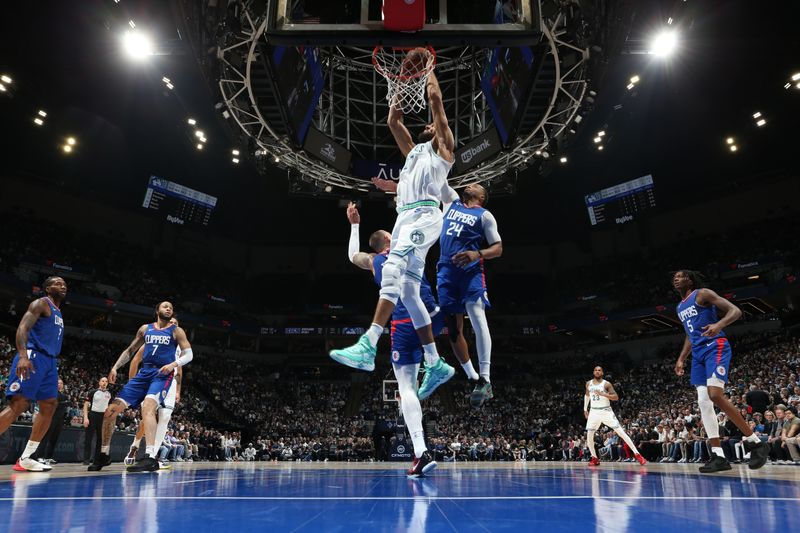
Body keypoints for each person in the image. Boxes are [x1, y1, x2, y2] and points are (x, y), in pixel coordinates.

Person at [330, 50, 460, 396]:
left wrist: (427, 67)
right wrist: (401, 82)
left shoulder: (444, 147)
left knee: (392, 269)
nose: (430, 124)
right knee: (406, 289)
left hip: (424, 214)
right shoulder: (415, 152)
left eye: (434, 123)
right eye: (430, 124)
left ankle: (368, 343)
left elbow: (434, 98)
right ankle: (435, 363)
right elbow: (393, 121)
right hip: (405, 216)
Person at [337, 202, 438, 476]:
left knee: (406, 387)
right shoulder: (408, 246)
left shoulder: (376, 262)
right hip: (431, 313)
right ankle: (436, 362)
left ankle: (421, 451)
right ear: (390, 239)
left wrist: (354, 224)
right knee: (420, 375)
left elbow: (351, 256)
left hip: (404, 322)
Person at [672, 270, 770, 473]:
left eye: (681, 276)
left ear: (689, 280)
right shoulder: (680, 307)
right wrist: (682, 358)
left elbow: (735, 311)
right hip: (698, 354)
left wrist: (719, 324)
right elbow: (690, 335)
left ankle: (755, 442)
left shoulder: (702, 294)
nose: (676, 278)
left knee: (715, 395)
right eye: (675, 277)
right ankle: (718, 456)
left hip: (715, 346)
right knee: (703, 402)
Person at [89, 301, 193, 472]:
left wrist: (173, 364)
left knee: (149, 408)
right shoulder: (145, 329)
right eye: (165, 306)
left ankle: (150, 457)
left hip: (161, 375)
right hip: (143, 374)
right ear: (157, 310)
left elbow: (189, 354)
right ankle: (103, 454)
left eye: (171, 307)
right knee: (109, 412)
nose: (169, 308)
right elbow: (130, 351)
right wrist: (115, 367)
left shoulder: (176, 331)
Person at [437, 183, 502, 407]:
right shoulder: (451, 201)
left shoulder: (485, 215)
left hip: (470, 270)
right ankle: (472, 376)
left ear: (481, 196)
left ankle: (486, 377)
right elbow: (439, 177)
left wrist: (478, 253)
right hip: (445, 270)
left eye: (477, 185)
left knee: (476, 316)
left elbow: (498, 248)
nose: (471, 183)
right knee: (453, 330)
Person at [0, 276, 67, 472]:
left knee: (49, 405)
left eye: (64, 284)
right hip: (33, 356)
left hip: (50, 362)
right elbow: (23, 328)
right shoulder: (41, 304)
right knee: (19, 403)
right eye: (57, 283)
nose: (62, 286)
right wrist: (22, 356)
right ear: (47, 288)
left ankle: (27, 457)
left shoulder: (59, 312)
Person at [125, 317, 184, 470]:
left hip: (171, 384)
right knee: (147, 417)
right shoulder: (153, 339)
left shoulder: (178, 346)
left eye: (176, 324)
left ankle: (152, 457)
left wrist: (178, 390)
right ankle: (134, 446)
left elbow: (180, 370)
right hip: (153, 379)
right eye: (171, 322)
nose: (173, 325)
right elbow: (135, 360)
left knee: (164, 418)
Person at [583, 366, 647, 466]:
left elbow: (616, 397)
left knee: (621, 432)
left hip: (606, 410)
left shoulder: (606, 384)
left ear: (602, 373)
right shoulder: (588, 383)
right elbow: (587, 395)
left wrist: (604, 394)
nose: (597, 371)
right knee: (589, 435)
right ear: (593, 372)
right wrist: (585, 409)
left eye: (599, 370)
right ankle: (594, 458)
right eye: (596, 370)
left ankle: (638, 455)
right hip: (594, 411)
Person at [32, 378, 68, 465]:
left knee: (54, 439)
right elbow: (53, 405)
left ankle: (48, 457)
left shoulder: (64, 395)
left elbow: (65, 408)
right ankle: (40, 456)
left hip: (59, 419)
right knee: (46, 437)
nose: (59, 384)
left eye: (61, 383)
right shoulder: (52, 394)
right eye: (58, 383)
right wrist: (64, 403)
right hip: (51, 418)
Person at [83, 377, 111, 465]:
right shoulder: (93, 392)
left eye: (106, 381)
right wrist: (85, 418)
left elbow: (110, 407)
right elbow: (85, 405)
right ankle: (86, 459)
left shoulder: (109, 394)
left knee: (100, 439)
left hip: (103, 417)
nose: (104, 383)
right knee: (89, 438)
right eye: (103, 381)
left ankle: (96, 459)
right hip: (92, 415)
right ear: (99, 382)